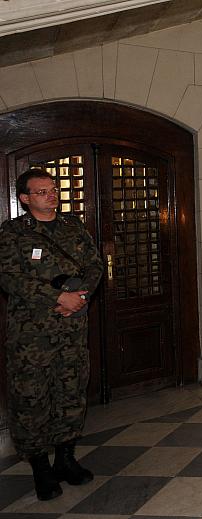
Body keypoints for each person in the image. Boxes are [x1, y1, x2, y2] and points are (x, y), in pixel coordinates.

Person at [0, 169, 103, 500]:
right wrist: (57, 297)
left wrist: (80, 296)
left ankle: (66, 459)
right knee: (32, 399)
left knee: (71, 392)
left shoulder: (73, 226)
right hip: (32, 336)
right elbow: (9, 277)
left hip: (72, 327)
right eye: (42, 191)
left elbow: (94, 265)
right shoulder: (13, 233)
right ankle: (40, 468)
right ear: (25, 198)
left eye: (53, 189)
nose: (50, 195)